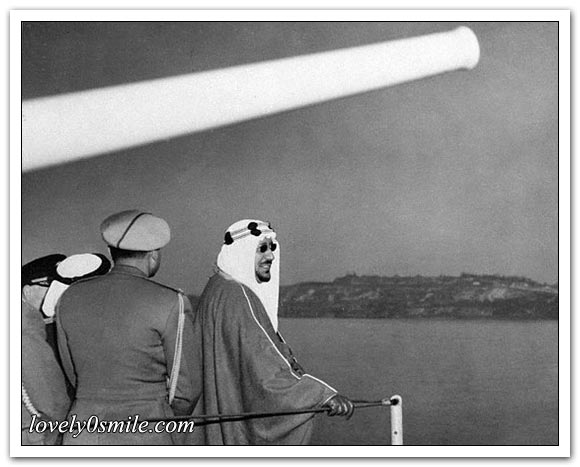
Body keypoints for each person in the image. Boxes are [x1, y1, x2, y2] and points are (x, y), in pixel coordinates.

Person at [192, 219, 354, 445]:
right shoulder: (237, 296)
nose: (270, 256)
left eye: (272, 248)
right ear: (242, 252)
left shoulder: (218, 289)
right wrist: (321, 395)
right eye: (262, 249)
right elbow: (264, 367)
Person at [56, 210, 202, 445]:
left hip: (83, 432)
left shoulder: (69, 297)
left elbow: (71, 373)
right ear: (153, 254)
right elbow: (186, 390)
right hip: (146, 432)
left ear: (110, 252)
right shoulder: (169, 301)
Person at [21, 254, 71, 445]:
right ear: (26, 290)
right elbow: (52, 401)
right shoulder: (26, 321)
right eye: (49, 285)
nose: (57, 291)